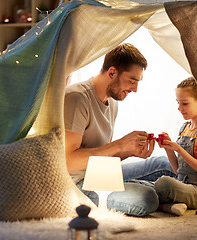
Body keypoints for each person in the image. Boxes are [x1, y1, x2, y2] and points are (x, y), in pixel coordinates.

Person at [64, 43, 174, 217]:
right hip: (79, 184)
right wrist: (120, 144)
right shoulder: (77, 98)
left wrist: (129, 151)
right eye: (132, 81)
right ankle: (160, 194)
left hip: (102, 173)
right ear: (112, 72)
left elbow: (104, 157)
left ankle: (162, 192)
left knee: (164, 165)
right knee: (147, 198)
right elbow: (68, 161)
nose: (135, 89)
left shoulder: (112, 101)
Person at [154, 77, 197, 216]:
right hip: (182, 183)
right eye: (178, 103)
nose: (179, 108)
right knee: (142, 185)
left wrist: (179, 149)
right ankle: (170, 206)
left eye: (185, 103)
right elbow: (177, 170)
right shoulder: (184, 128)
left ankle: (165, 205)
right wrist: (168, 148)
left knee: (163, 184)